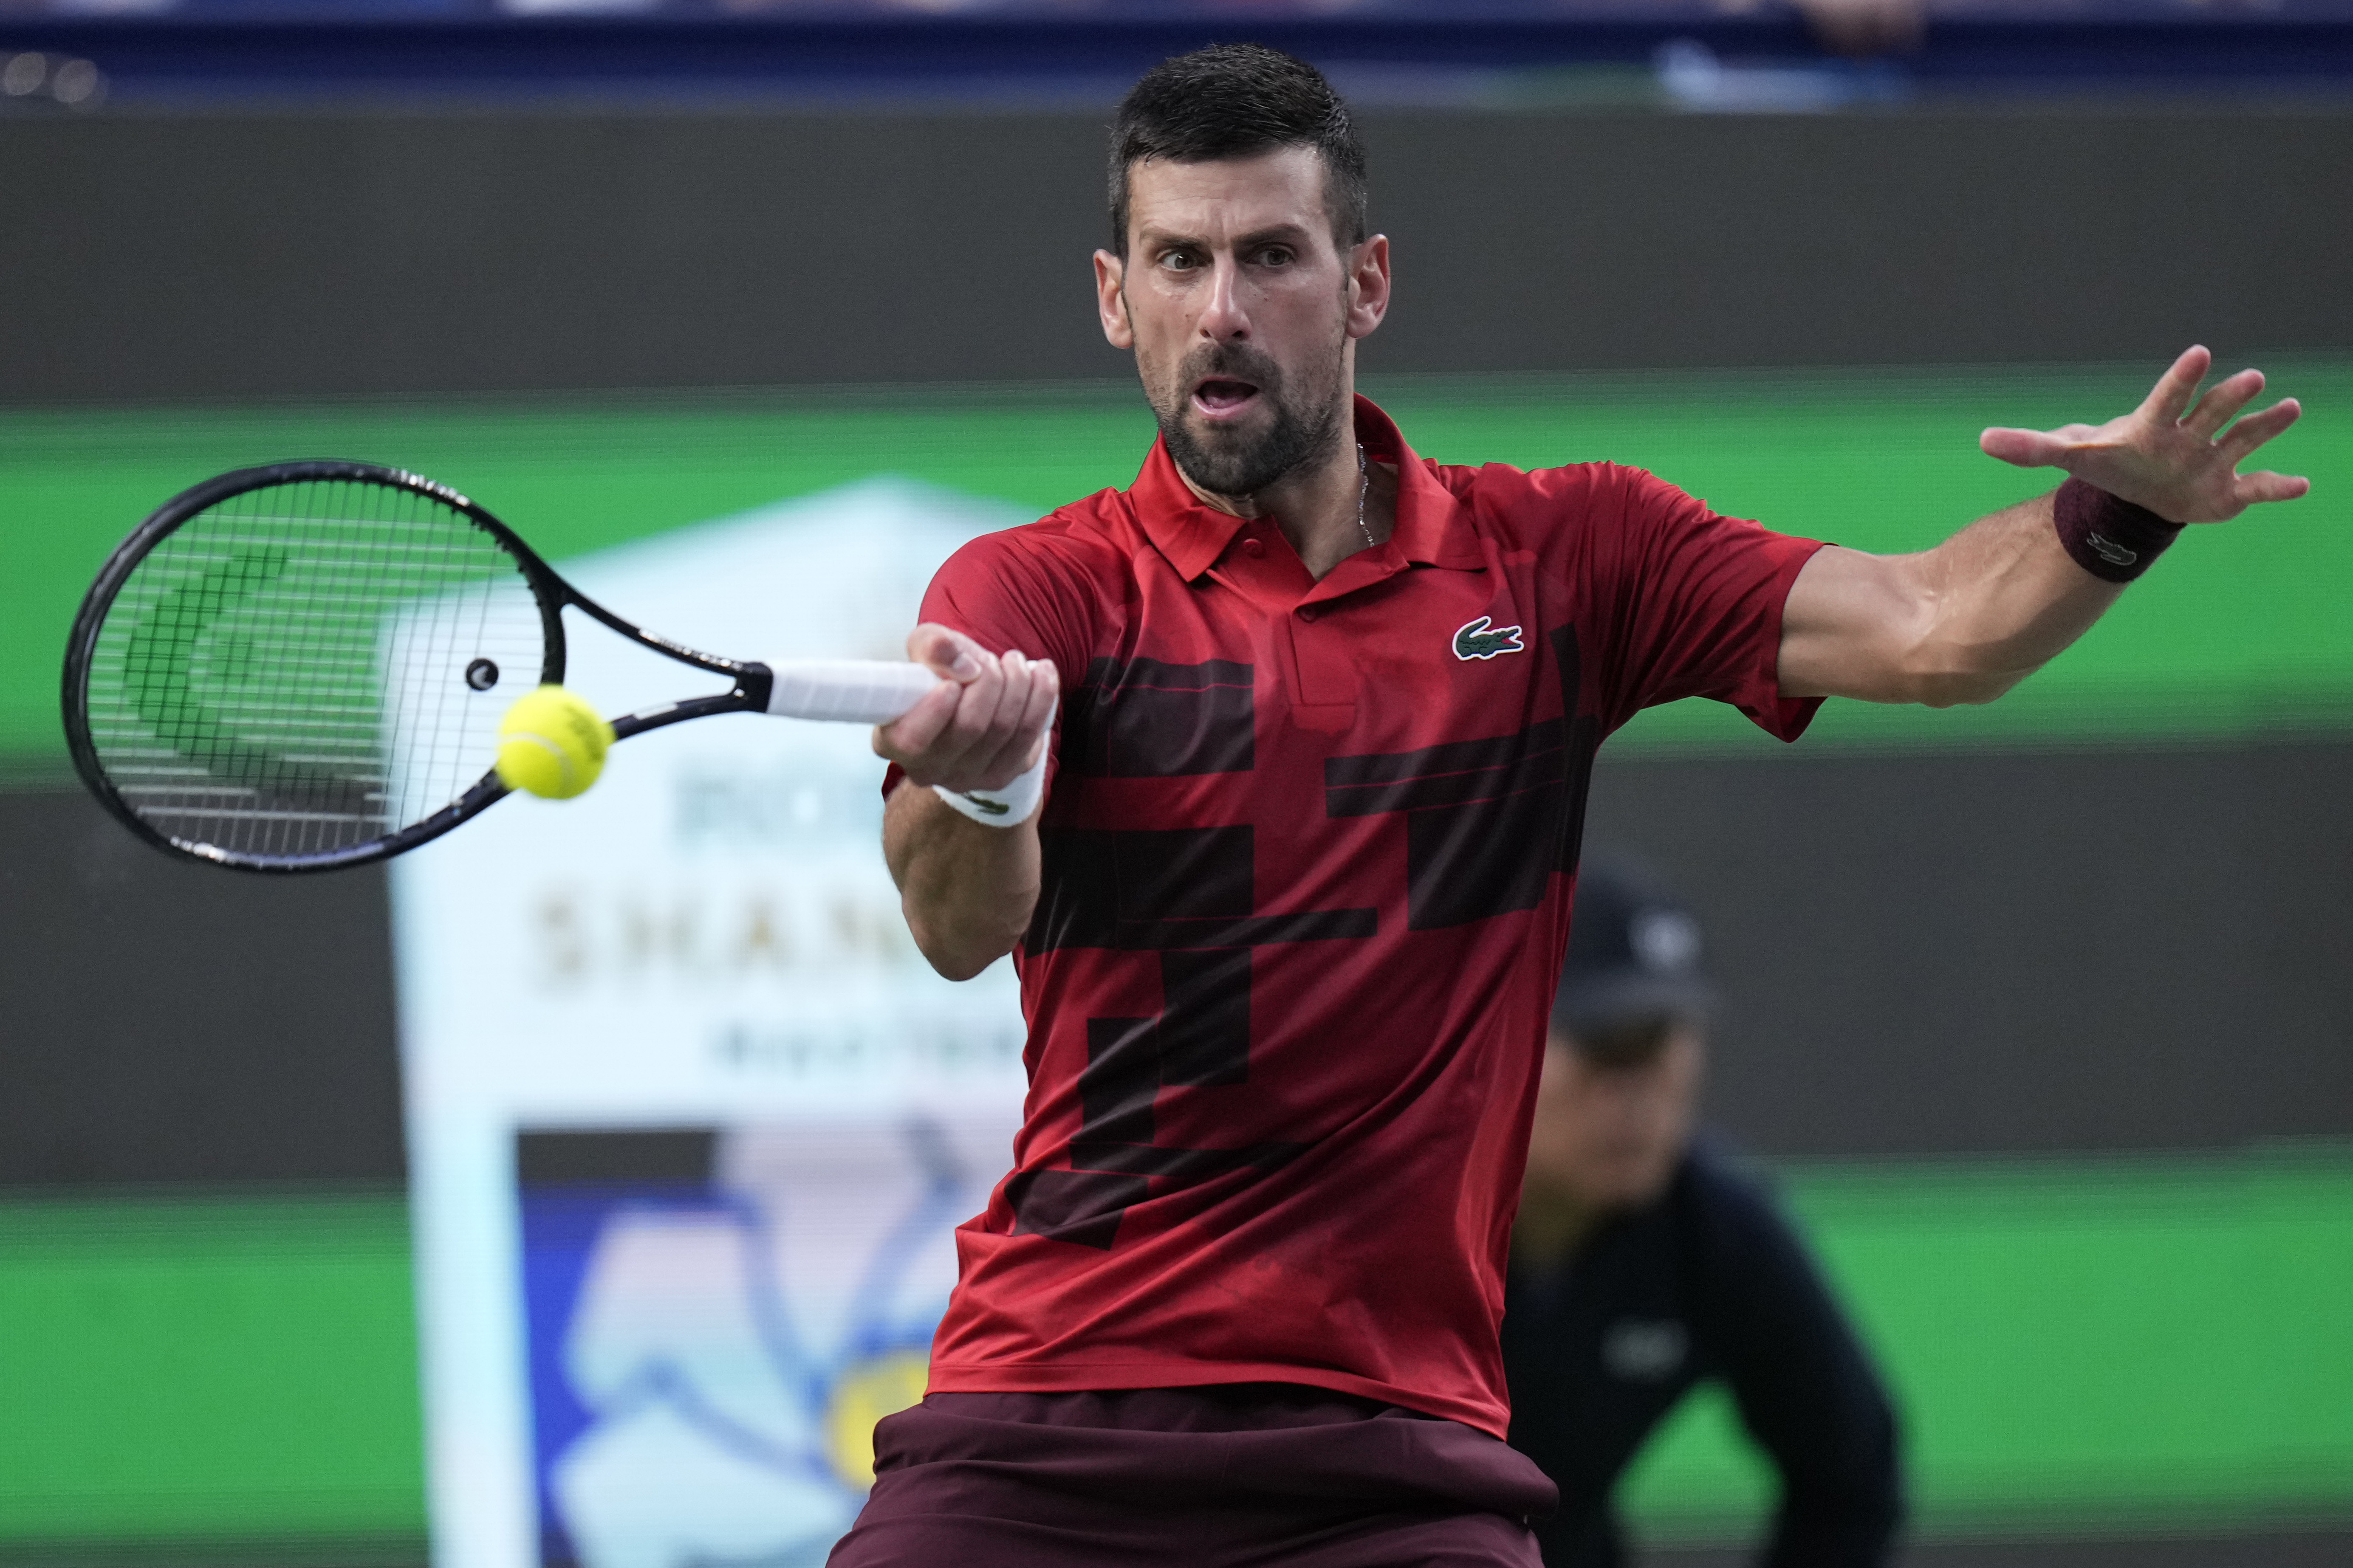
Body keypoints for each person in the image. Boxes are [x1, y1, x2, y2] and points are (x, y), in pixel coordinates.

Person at [839, 42, 2307, 1568]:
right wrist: (994, 780)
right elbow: (956, 927)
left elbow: (1938, 631)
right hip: (1052, 1419)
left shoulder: (1567, 560)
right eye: (1178, 261)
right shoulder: (1032, 593)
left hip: (1387, 1458)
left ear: (1366, 284)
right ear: (1112, 295)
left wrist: (2117, 512)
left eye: (1271, 255)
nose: (1222, 310)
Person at [1505, 857, 1901, 1568]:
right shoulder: (1385, 1225)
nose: (1634, 1099)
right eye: (1601, 1048)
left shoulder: (1714, 1232)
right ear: (1495, 1042)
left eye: (1658, 1045)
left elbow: (1852, 1476)